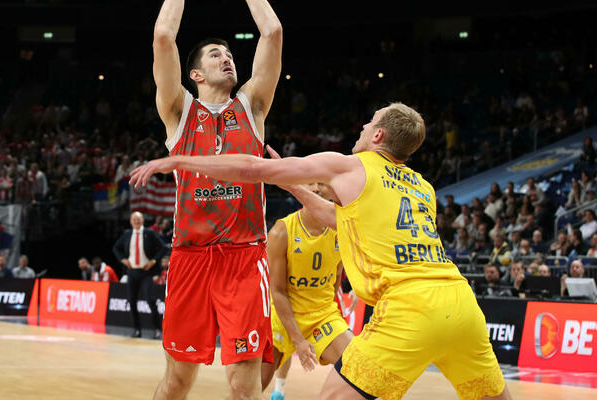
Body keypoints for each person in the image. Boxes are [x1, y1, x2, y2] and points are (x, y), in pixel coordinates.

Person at [131, 102, 510, 399]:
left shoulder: (349, 165)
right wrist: (296, 188)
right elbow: (338, 218)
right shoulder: (422, 186)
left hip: (408, 307)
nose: (361, 128)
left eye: (368, 123)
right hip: (462, 305)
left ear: (378, 135)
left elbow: (249, 168)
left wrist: (179, 160)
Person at [148, 0, 282, 397]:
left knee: (244, 385)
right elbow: (162, 35)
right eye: (215, 54)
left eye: (229, 54)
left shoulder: (252, 105)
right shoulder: (178, 110)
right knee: (177, 381)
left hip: (243, 258)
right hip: (190, 257)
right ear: (195, 74)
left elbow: (272, 33)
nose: (226, 59)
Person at [261, 182, 353, 394]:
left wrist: (353, 292)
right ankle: (279, 389)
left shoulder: (342, 228)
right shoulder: (280, 232)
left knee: (359, 366)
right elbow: (277, 292)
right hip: (281, 315)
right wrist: (299, 340)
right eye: (310, 183)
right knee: (252, 386)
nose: (316, 188)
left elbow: (338, 274)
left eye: (322, 183)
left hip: (321, 316)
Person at [113, 212, 167, 339]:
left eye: (138, 219)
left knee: (150, 300)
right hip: (132, 272)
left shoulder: (150, 233)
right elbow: (116, 248)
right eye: (134, 219)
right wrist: (122, 259)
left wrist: (153, 261)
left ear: (142, 220)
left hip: (146, 272)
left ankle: (158, 330)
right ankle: (137, 330)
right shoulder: (127, 234)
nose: (136, 221)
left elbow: (163, 248)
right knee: (132, 301)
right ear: (131, 221)